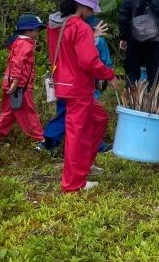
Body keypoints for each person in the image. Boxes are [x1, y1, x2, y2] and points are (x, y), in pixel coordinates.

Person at [48, 0, 119, 192]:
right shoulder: (79, 26)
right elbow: (89, 60)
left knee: (99, 118)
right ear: (85, 6)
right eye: (92, 10)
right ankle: (73, 183)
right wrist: (109, 75)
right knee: (77, 134)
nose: (92, 14)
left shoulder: (57, 25)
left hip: (65, 83)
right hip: (78, 87)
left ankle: (83, 166)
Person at [40, 15, 114, 156]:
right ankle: (50, 143)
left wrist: (101, 78)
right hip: (73, 84)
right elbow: (85, 59)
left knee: (83, 117)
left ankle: (87, 146)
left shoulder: (97, 41)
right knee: (70, 116)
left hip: (73, 83)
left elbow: (101, 62)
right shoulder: (73, 32)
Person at [0, 15, 47, 148]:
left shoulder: (20, 42)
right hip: (19, 86)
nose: (38, 33)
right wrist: (15, 83)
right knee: (28, 112)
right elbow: (18, 62)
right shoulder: (24, 43)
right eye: (37, 30)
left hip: (13, 84)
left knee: (9, 112)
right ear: (28, 30)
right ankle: (39, 139)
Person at [118, 0, 159, 88]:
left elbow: (123, 19)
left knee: (132, 72)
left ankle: (131, 101)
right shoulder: (158, 2)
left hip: (134, 41)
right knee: (154, 74)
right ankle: (154, 100)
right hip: (153, 43)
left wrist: (123, 37)